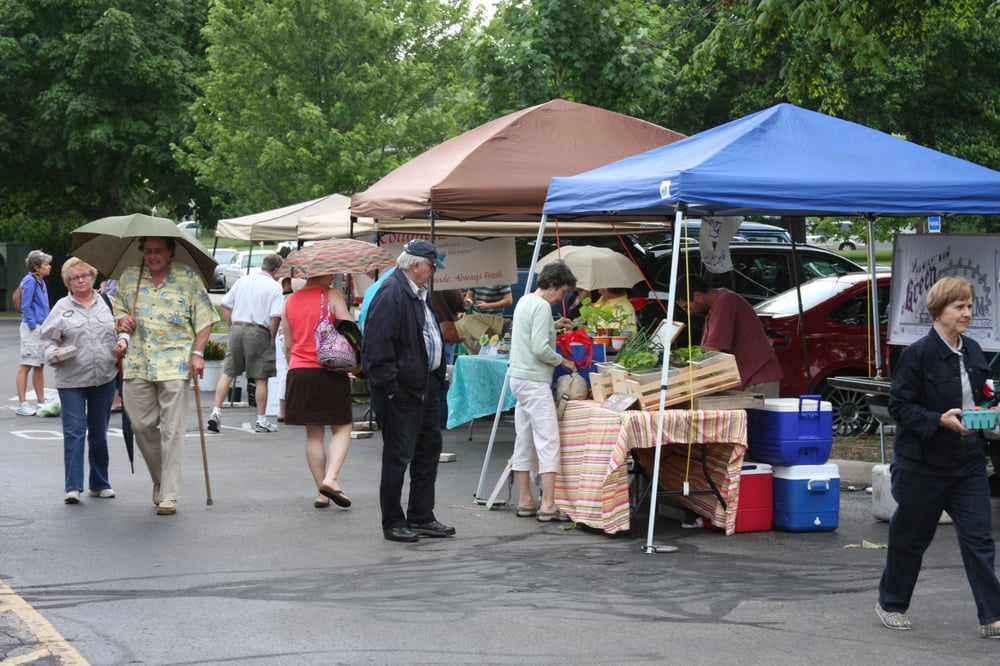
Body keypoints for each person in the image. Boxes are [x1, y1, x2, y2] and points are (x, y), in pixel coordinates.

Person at [877, 276, 1000, 638]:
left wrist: (990, 407)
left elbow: (985, 393)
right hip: (922, 464)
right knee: (910, 537)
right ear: (939, 310)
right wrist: (938, 420)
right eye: (959, 306)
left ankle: (992, 616)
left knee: (979, 538)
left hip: (968, 461)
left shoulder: (975, 350)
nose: (968, 312)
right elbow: (899, 406)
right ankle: (892, 603)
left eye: (970, 305)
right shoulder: (917, 354)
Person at [113, 236, 218, 516]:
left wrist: (197, 353)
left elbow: (206, 320)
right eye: (147, 251)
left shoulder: (188, 277)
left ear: (170, 252)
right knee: (140, 425)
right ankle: (160, 478)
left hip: (175, 363)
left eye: (158, 251)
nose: (152, 256)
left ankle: (169, 494)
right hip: (138, 363)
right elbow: (118, 315)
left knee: (173, 430)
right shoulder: (130, 277)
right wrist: (123, 321)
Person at [363, 239, 455, 543]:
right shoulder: (392, 293)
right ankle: (393, 521)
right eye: (431, 266)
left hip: (423, 385)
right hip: (403, 389)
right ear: (415, 264)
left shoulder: (416, 292)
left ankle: (421, 516)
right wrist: (390, 388)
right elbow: (376, 347)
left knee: (428, 449)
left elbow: (426, 336)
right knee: (398, 456)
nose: (432, 272)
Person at [39, 258, 121, 504]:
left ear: (93, 277)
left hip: (104, 377)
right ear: (68, 282)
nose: (81, 280)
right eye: (75, 277)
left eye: (85, 275)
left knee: (99, 433)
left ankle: (99, 483)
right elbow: (46, 340)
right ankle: (73, 487)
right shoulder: (61, 307)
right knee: (75, 432)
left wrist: (124, 339)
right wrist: (52, 353)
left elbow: (123, 328)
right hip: (71, 379)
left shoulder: (108, 303)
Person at [508, 261, 578, 522]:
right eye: (562, 292)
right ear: (551, 286)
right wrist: (563, 361)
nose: (562, 297)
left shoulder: (526, 301)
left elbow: (530, 333)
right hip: (535, 380)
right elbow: (540, 348)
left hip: (519, 377)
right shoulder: (540, 306)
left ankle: (526, 499)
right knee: (548, 440)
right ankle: (548, 503)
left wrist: (554, 325)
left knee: (523, 438)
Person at [282, 272, 355, 509]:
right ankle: (331, 479)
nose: (333, 277)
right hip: (330, 370)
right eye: (331, 272)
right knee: (342, 426)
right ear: (322, 273)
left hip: (299, 371)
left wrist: (294, 365)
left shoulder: (290, 301)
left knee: (313, 434)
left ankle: (321, 493)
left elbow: (289, 344)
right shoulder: (332, 296)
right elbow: (350, 331)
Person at [207, 253, 284, 434]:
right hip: (258, 330)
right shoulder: (274, 287)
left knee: (228, 372)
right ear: (276, 270)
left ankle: (216, 411)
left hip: (237, 328)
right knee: (260, 377)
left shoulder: (243, 280)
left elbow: (225, 304)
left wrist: (231, 325)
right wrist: (272, 338)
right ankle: (261, 419)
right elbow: (275, 317)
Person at [674, 273, 782, 397]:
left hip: (757, 380)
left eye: (687, 307)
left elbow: (712, 350)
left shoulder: (725, 303)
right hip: (748, 379)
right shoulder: (715, 306)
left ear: (698, 296)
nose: (689, 313)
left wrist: (682, 365)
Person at [15, 250, 53, 415]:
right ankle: (22, 404)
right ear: (37, 267)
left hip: (41, 327)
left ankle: (41, 401)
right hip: (33, 328)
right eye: (46, 264)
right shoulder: (30, 281)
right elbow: (25, 306)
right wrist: (33, 326)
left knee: (39, 365)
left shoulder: (40, 281)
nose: (49, 267)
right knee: (26, 365)